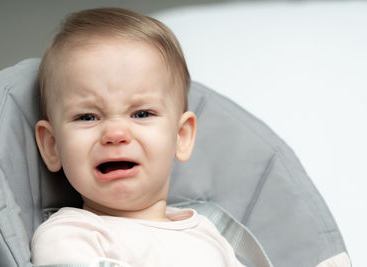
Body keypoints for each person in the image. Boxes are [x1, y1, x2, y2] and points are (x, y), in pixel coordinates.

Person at [31, 7, 244, 267]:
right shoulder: (70, 235)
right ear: (52, 146)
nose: (115, 134)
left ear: (181, 136)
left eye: (142, 113)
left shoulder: (209, 233)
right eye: (87, 117)